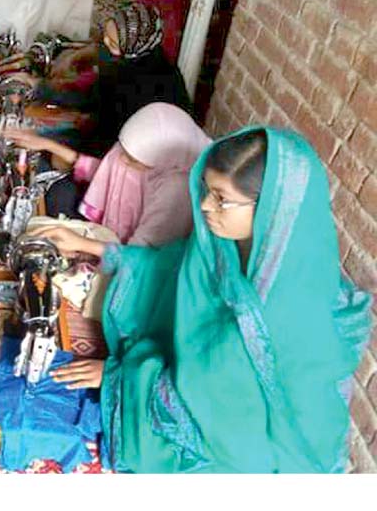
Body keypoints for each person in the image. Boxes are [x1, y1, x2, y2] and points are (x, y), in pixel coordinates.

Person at [36, 128, 372, 472]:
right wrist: (86, 245)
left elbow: (218, 398)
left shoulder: (290, 312)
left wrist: (118, 381)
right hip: (208, 396)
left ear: (270, 207)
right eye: (207, 192)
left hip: (249, 446)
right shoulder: (222, 247)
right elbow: (163, 268)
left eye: (221, 198)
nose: (206, 207)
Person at [5, 102, 210, 244]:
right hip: (112, 243)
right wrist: (47, 145)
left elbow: (139, 255)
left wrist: (81, 244)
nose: (121, 160)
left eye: (132, 159)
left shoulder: (176, 191)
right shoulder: (146, 156)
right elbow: (103, 173)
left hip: (136, 269)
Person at [9, 2, 193, 157]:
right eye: (106, 35)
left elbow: (99, 133)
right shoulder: (142, 54)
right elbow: (95, 95)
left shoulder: (139, 85)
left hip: (131, 155)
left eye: (112, 43)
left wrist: (48, 139)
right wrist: (41, 87)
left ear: (133, 48)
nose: (105, 42)